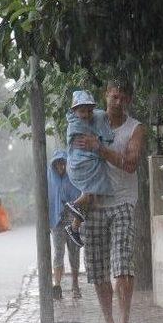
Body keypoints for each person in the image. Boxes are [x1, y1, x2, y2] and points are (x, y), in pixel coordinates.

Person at [73, 78, 146, 323]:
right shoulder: (91, 120)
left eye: (122, 97)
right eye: (113, 96)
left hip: (123, 201)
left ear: (128, 100)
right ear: (106, 96)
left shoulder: (135, 129)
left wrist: (100, 148)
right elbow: (74, 147)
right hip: (95, 203)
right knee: (96, 267)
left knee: (122, 264)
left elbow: (130, 164)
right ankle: (109, 322)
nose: (117, 102)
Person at [64, 89, 114, 247]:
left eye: (88, 111)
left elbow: (100, 127)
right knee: (93, 190)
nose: (85, 114)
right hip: (82, 163)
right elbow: (101, 139)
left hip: (88, 161)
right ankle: (76, 204)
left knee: (92, 197)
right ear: (74, 111)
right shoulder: (75, 125)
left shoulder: (96, 117)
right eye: (81, 111)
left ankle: (74, 227)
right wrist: (99, 141)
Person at [47, 149, 82, 300]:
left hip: (72, 218)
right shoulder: (49, 179)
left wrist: (78, 219)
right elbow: (48, 199)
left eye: (63, 163)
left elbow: (79, 196)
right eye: (57, 164)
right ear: (54, 165)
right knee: (58, 253)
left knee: (74, 253)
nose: (60, 167)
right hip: (57, 220)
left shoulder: (73, 177)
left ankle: (75, 285)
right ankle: (57, 285)